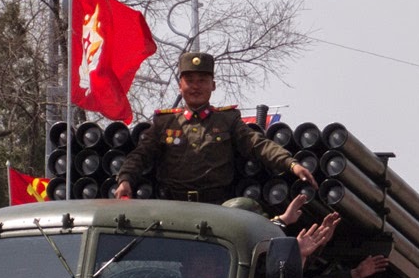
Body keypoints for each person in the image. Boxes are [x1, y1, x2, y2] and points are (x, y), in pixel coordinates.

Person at [113, 51, 318, 205]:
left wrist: (292, 164)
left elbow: (258, 144)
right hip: (171, 206)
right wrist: (125, 179)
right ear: (180, 86)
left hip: (216, 208)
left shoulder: (227, 120)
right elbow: (140, 155)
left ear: (213, 85)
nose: (195, 87)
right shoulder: (164, 123)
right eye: (189, 81)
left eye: (202, 81)